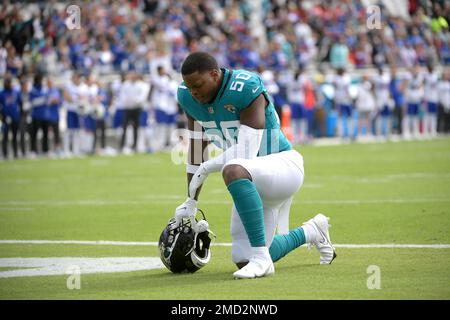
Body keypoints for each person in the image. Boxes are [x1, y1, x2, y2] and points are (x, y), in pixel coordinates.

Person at [174, 52, 336, 279]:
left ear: (214, 74)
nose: (194, 92)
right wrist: (191, 200)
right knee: (242, 260)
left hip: (282, 166)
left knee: (232, 168)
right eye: (189, 87)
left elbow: (246, 151)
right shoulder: (187, 96)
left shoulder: (244, 87)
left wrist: (207, 168)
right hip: (251, 176)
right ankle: (312, 231)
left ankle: (262, 260)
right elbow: (197, 148)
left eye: (198, 85)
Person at [0, 73, 21, 159]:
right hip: (5, 118)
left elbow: (20, 103)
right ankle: (5, 154)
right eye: (7, 81)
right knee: (5, 136)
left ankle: (15, 153)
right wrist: (3, 116)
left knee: (15, 136)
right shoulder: (1, 93)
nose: (8, 83)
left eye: (9, 81)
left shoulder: (15, 92)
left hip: (15, 117)